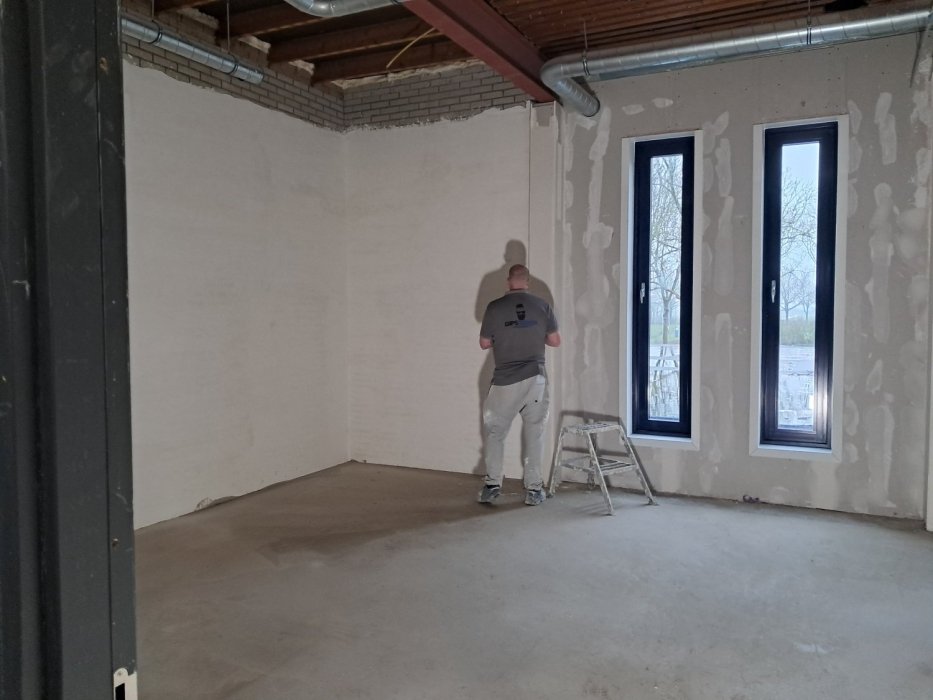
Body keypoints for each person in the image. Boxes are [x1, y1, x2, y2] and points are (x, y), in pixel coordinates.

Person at [478, 264, 560, 506]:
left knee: (496, 432)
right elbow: (555, 341)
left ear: (508, 281)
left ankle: (492, 485)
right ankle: (534, 490)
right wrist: (533, 333)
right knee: (535, 432)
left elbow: (484, 343)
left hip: (505, 380)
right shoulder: (542, 306)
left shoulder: (494, 307)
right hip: (536, 379)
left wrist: (506, 334)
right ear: (527, 281)